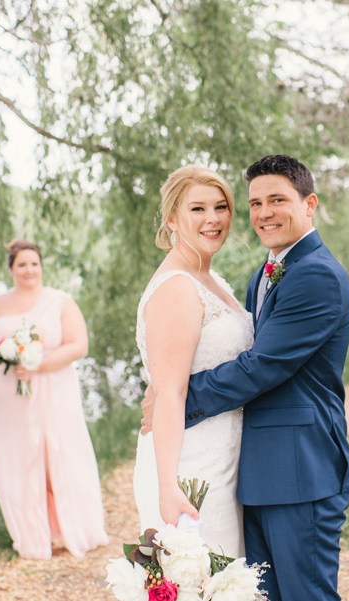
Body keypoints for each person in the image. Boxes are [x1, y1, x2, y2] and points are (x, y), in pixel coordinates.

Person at [143, 155, 349, 601]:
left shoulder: (315, 274)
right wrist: (168, 389)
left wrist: (176, 394)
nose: (263, 213)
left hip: (300, 468)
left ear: (309, 203)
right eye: (255, 202)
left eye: (277, 200)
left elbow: (264, 364)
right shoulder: (265, 272)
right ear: (172, 219)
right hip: (249, 467)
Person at [133, 166, 252, 558]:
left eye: (221, 207)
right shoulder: (177, 287)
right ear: (171, 219)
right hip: (192, 468)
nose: (213, 218)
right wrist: (169, 488)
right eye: (197, 209)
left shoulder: (208, 277)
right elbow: (169, 392)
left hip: (225, 456)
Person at [0, 240, 109, 559]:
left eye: (34, 264)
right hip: (6, 395)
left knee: (60, 453)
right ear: (11, 269)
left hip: (53, 388)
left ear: (41, 266)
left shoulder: (59, 301)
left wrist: (37, 364)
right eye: (22, 265)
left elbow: (78, 346)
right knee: (17, 458)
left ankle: (70, 527)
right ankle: (31, 532)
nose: (29, 270)